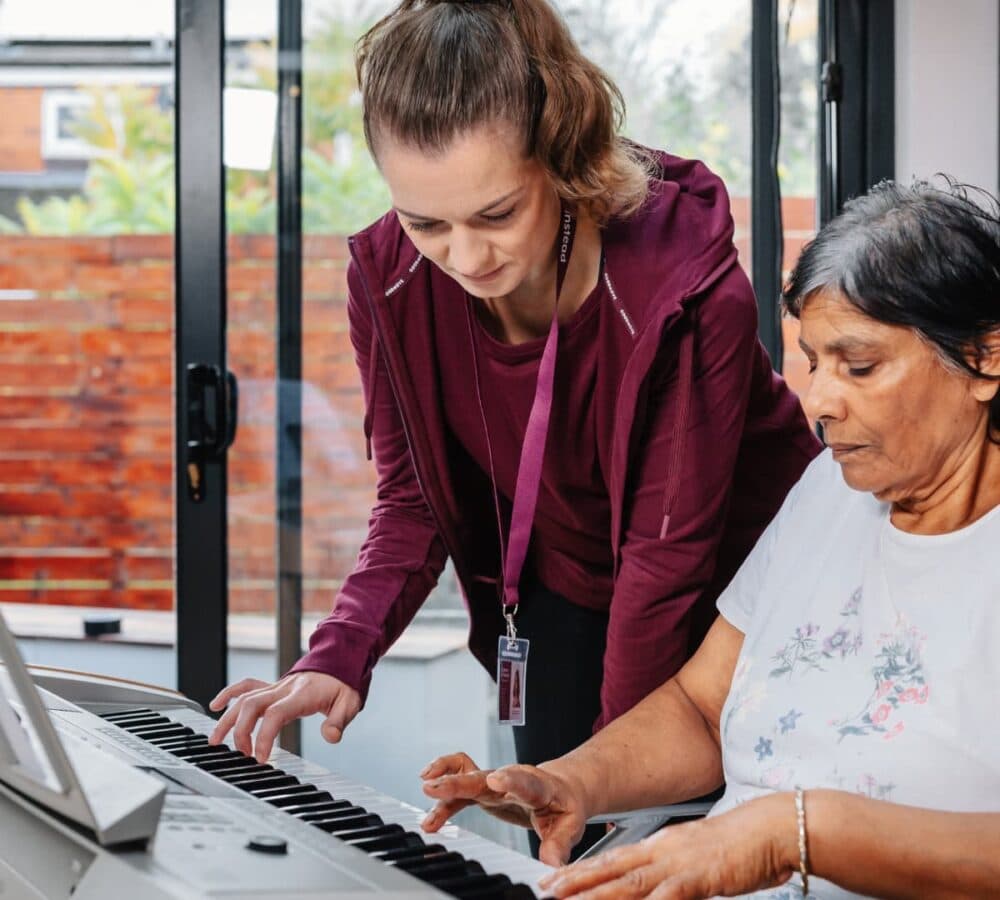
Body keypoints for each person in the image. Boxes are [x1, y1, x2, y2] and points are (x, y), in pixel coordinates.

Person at [208, 0, 818, 856]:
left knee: (676, 849)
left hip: (735, 589)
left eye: (496, 215)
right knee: (561, 844)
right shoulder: (389, 280)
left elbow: (667, 554)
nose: (464, 257)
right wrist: (335, 655)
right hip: (568, 585)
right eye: (426, 223)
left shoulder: (685, 286)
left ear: (564, 159)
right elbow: (413, 495)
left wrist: (605, 781)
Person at [420, 178, 1000, 898]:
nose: (818, 401)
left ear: (983, 358)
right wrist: (572, 779)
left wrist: (792, 833)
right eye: (814, 363)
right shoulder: (827, 493)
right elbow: (701, 706)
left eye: (860, 366)